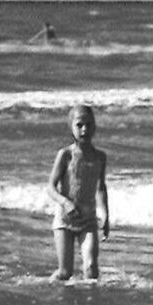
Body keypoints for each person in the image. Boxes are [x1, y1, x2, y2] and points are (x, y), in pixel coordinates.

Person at [48, 103, 110, 281]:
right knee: (65, 273)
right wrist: (65, 203)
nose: (85, 129)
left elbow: (100, 188)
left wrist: (105, 215)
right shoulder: (66, 154)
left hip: (88, 220)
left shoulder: (100, 157)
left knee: (91, 269)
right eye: (79, 125)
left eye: (89, 125)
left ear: (95, 127)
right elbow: (50, 188)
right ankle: (48, 293)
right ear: (71, 128)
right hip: (65, 219)